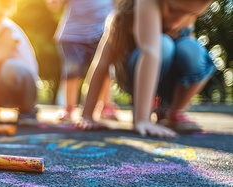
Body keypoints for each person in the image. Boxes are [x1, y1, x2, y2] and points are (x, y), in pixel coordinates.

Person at [78, 0, 216, 137]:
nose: (177, 21)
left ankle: (174, 112)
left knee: (193, 49)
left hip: (167, 83)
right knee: (163, 44)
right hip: (132, 77)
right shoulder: (127, 16)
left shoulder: (188, 12)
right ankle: (143, 111)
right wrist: (87, 115)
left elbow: (193, 62)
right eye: (174, 11)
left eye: (190, 14)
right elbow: (101, 64)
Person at [46, 0, 118, 122]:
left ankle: (106, 106)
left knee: (104, 70)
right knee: (72, 70)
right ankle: (68, 108)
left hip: (103, 32)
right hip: (73, 34)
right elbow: (54, 5)